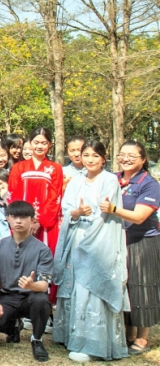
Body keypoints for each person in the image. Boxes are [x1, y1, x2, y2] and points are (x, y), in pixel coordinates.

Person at [53, 140, 128, 362]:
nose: (90, 159)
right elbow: (66, 210)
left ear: (103, 158)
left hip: (100, 239)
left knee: (92, 287)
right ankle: (72, 336)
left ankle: (92, 344)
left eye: (95, 155)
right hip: (78, 237)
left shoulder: (110, 180)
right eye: (86, 155)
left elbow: (106, 212)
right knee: (76, 285)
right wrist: (76, 212)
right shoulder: (76, 181)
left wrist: (90, 220)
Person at [98, 140, 160, 356]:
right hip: (116, 241)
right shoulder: (113, 178)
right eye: (122, 154)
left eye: (132, 156)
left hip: (143, 242)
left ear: (143, 159)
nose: (125, 158)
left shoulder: (149, 184)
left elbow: (140, 216)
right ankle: (129, 333)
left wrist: (113, 209)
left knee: (142, 288)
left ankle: (143, 338)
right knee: (122, 286)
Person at [0, 201, 53, 362]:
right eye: (14, 217)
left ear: (32, 220)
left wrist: (31, 285)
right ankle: (13, 326)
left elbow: (43, 285)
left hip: (31, 297)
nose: (18, 221)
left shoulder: (42, 250)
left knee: (41, 301)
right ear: (7, 218)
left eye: (23, 217)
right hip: (7, 297)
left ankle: (37, 339)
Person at [8, 127, 63, 258]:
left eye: (44, 143)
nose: (39, 146)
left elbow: (55, 197)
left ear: (50, 144)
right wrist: (24, 219)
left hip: (46, 225)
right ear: (30, 142)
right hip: (21, 221)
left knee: (45, 257)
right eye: (36, 142)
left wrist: (39, 221)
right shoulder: (18, 168)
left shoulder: (55, 168)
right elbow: (13, 195)